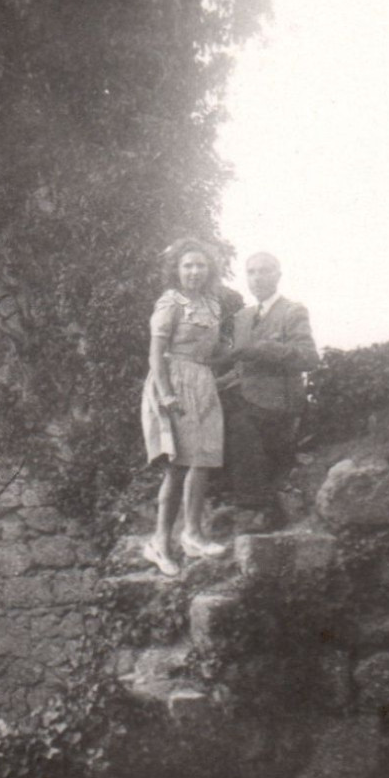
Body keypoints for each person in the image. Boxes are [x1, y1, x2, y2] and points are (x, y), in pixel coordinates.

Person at [140, 238, 229, 577]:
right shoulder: (170, 303)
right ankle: (159, 542)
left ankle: (192, 533)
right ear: (177, 270)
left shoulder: (212, 304)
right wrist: (166, 394)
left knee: (203, 460)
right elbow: (155, 353)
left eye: (200, 265)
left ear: (210, 270)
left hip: (202, 381)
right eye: (187, 265)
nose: (194, 271)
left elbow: (212, 349)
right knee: (177, 465)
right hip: (173, 381)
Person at [216, 251, 318, 519]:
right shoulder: (242, 317)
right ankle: (217, 492)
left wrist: (265, 348)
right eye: (251, 272)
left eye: (265, 270)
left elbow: (308, 358)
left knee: (237, 421)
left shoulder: (292, 311)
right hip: (247, 397)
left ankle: (254, 506)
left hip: (279, 405)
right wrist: (210, 386)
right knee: (204, 409)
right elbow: (240, 370)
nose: (258, 277)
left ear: (278, 275)